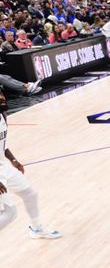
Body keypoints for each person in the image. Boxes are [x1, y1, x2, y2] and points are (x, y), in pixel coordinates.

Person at [0, 90, 60, 236]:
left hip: (3, 166)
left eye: (2, 94)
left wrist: (13, 160)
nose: (2, 98)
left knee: (30, 194)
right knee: (10, 214)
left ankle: (37, 228)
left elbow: (3, 144)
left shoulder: (3, 115)